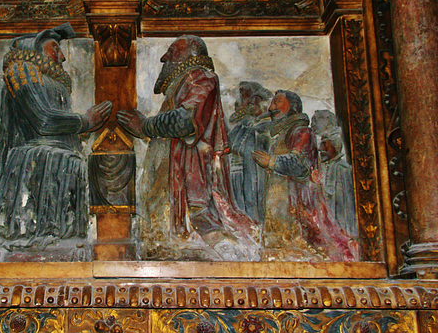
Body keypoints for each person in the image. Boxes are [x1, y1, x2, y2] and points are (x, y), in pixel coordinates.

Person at [0, 24, 112, 259]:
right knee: (37, 234)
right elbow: (43, 120)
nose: (62, 57)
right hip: (37, 160)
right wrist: (84, 121)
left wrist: (79, 132)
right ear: (34, 49)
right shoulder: (23, 70)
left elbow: (53, 123)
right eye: (54, 48)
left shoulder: (50, 79)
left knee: (61, 235)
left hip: (59, 159)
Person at [117, 35, 259, 261]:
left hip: (187, 175)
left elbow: (186, 120)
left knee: (201, 229)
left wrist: (145, 126)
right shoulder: (183, 83)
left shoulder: (200, 77)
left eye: (172, 51)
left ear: (192, 52)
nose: (165, 58)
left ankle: (227, 252)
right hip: (173, 175)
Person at [252, 90, 357, 261]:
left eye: (277, 102)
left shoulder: (302, 132)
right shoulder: (283, 134)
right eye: (272, 103)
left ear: (292, 107)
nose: (271, 107)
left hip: (295, 205)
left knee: (300, 245)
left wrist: (271, 161)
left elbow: (299, 164)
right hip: (278, 203)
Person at [228, 86, 273, 224]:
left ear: (265, 105)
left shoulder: (269, 126)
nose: (251, 106)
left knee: (253, 201)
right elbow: (229, 140)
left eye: (255, 103)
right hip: (237, 171)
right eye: (250, 103)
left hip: (255, 173)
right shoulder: (244, 124)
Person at [319, 132, 357, 237]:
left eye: (325, 145)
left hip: (343, 223)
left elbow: (348, 201)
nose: (322, 149)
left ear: (335, 146)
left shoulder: (343, 169)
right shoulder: (327, 167)